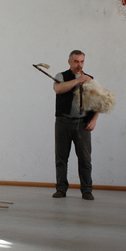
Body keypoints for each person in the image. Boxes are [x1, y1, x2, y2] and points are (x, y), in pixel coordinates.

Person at [52, 50, 98, 200]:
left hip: (82, 123)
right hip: (63, 122)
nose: (79, 65)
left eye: (82, 61)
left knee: (85, 159)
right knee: (61, 158)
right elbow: (58, 89)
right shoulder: (61, 76)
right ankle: (61, 188)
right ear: (69, 62)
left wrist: (94, 120)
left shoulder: (90, 79)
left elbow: (99, 101)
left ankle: (87, 190)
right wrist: (78, 80)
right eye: (76, 61)